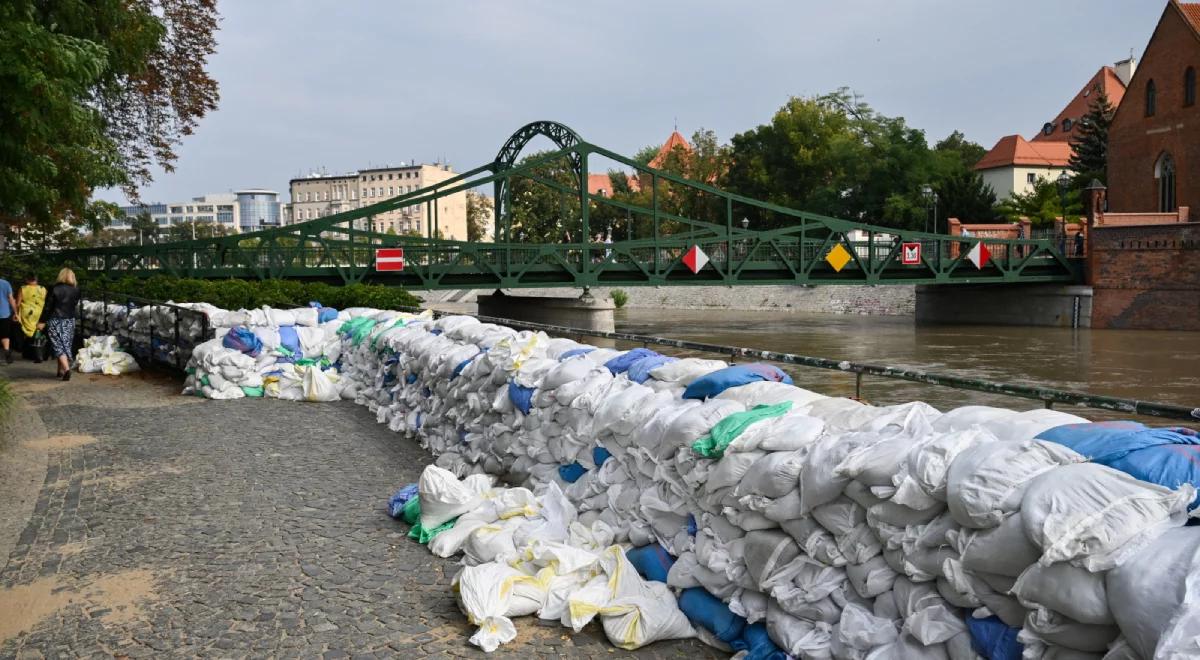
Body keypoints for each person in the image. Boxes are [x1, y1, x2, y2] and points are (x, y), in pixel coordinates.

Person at [41, 267, 81, 380]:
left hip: (55, 319)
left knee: (58, 344)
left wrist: (42, 321)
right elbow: (74, 304)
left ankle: (67, 370)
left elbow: (48, 307)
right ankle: (60, 371)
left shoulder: (54, 288)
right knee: (65, 344)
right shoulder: (76, 289)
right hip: (70, 320)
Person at [15, 274, 47, 362]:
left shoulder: (23, 288)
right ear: (36, 280)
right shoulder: (43, 289)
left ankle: (29, 352)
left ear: (27, 279)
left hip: (27, 313)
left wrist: (16, 313)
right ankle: (38, 352)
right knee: (37, 331)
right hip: (39, 312)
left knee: (27, 332)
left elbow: (18, 303)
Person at [0, 273, 14, 364]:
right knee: (5, 335)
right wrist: (16, 312)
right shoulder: (6, 283)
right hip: (4, 313)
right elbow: (11, 299)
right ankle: (7, 351)